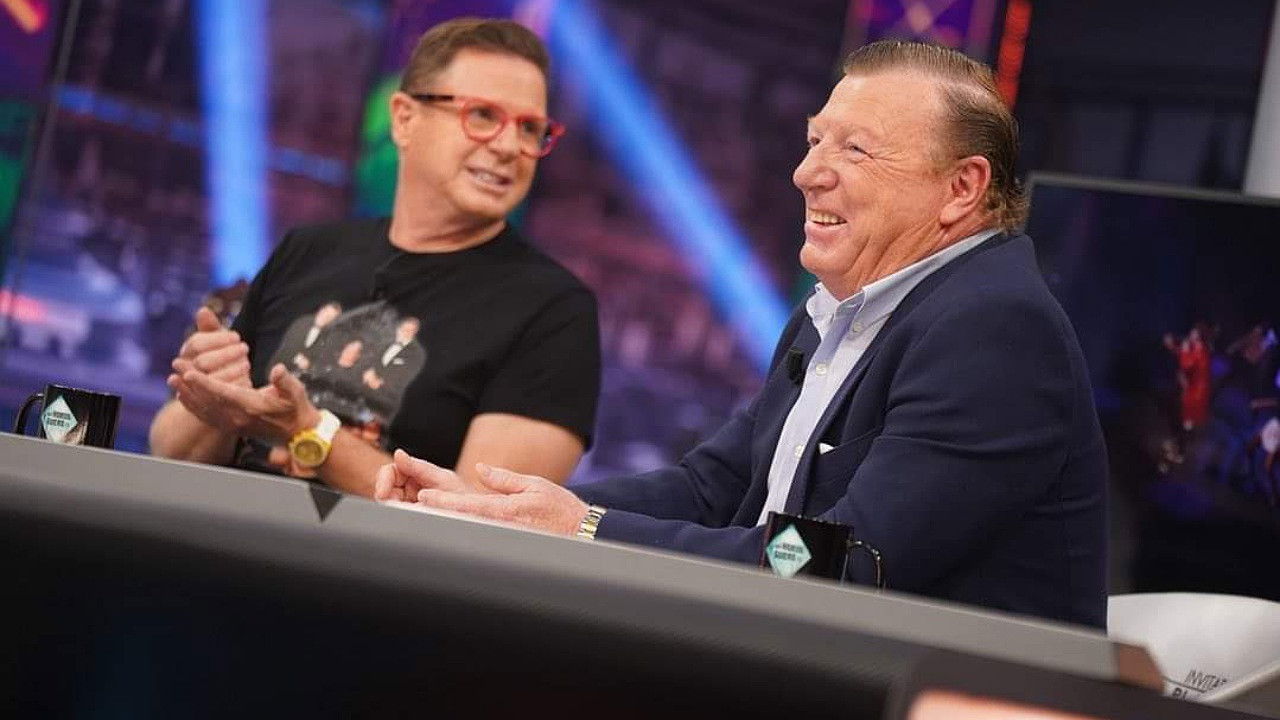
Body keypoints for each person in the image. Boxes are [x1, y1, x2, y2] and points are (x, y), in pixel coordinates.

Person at [378, 40, 1108, 628]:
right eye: (814, 141)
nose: (806, 173)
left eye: (854, 151)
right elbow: (709, 488)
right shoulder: (837, 311)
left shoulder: (995, 328)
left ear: (961, 188)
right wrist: (508, 511)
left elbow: (839, 559)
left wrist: (586, 528)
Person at [149, 18, 600, 497]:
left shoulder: (554, 311)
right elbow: (169, 452)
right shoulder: (307, 251)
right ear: (404, 119)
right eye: (483, 115)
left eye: (531, 128)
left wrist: (308, 432)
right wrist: (213, 398)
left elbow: (478, 519)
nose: (510, 147)